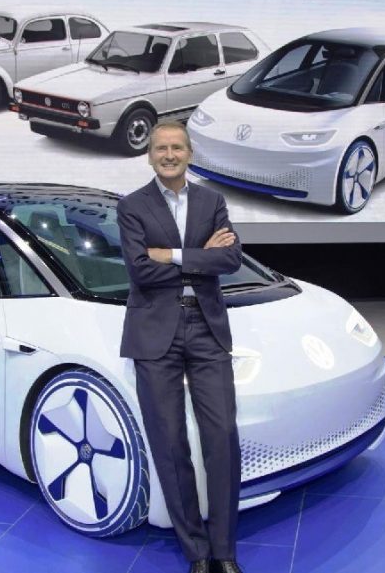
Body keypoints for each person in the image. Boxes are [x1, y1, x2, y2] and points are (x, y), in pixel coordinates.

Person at [117, 122, 245, 573]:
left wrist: (168, 254)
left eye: (176, 147)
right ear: (150, 155)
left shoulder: (212, 201)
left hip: (207, 328)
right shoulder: (132, 206)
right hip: (155, 332)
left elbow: (230, 259)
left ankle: (224, 551)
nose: (168, 155)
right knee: (170, 442)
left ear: (189, 153)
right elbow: (139, 271)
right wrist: (200, 255)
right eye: (160, 148)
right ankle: (197, 552)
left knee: (222, 437)